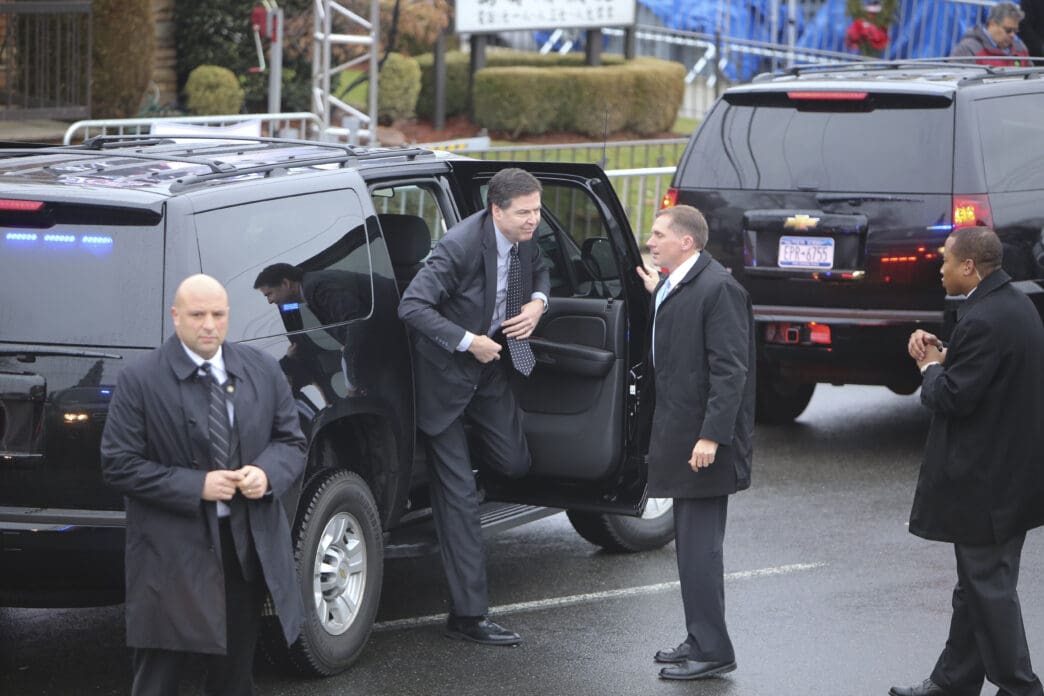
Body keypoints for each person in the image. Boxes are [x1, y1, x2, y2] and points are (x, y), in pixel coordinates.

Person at [101, 274, 307, 696]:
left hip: (242, 550)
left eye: (218, 314)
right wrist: (197, 486)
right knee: (159, 677)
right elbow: (118, 465)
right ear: (177, 317)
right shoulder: (140, 380)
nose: (209, 324)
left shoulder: (262, 370)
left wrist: (265, 473)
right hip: (170, 555)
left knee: (234, 679)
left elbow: (291, 442)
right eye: (197, 315)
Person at [397, 167, 549, 646]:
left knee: (514, 462)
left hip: (487, 373)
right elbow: (412, 306)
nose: (534, 221)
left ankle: (455, 484)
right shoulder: (458, 247)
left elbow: (541, 266)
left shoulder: (524, 237)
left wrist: (539, 303)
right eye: (524, 213)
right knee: (459, 499)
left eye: (537, 210)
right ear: (495, 210)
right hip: (445, 378)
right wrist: (467, 342)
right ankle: (468, 616)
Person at [891, 227, 1044, 696]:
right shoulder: (1012, 305)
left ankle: (1021, 687)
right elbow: (988, 372)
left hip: (988, 485)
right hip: (1010, 476)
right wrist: (946, 354)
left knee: (988, 587)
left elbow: (952, 398)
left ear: (969, 267)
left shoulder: (984, 319)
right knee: (975, 585)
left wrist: (930, 368)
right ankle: (953, 681)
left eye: (945, 261)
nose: (940, 269)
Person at [634, 205, 755, 681]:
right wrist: (656, 289)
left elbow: (731, 371)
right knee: (689, 548)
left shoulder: (719, 289)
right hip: (681, 434)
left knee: (701, 550)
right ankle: (699, 637)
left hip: (704, 443)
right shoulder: (679, 282)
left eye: (660, 234)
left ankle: (714, 650)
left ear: (687, 242)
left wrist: (711, 436)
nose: (652, 240)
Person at [950, 2, 1031, 66]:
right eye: (1008, 30)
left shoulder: (1020, 48)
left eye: (1015, 31)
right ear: (992, 24)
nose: (1012, 35)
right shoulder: (968, 49)